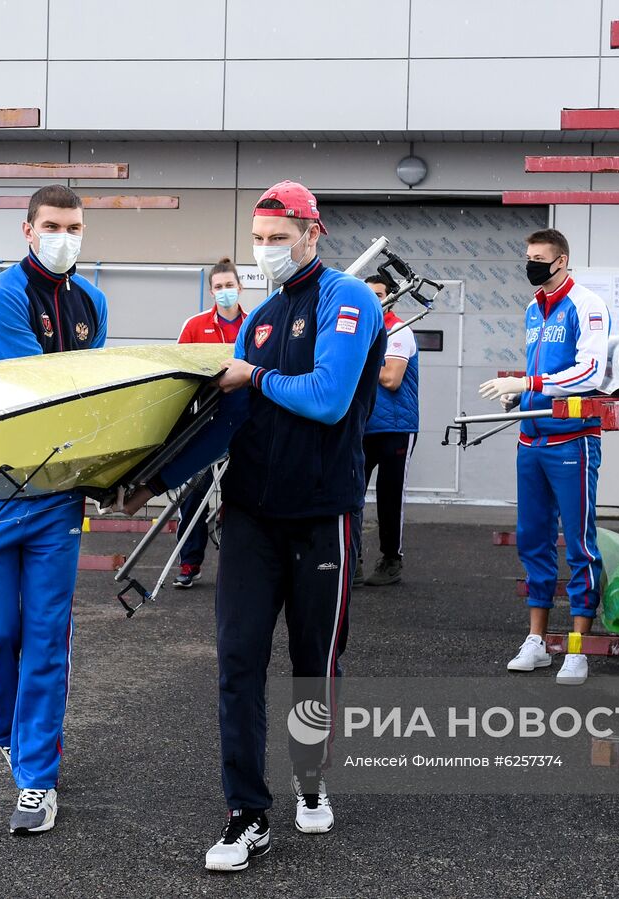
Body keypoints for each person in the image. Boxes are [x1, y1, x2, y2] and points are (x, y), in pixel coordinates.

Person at [118, 181, 384, 872]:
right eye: (259, 237)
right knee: (237, 661)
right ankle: (245, 813)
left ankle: (312, 776)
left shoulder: (349, 301)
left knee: (311, 663)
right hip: (250, 517)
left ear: (312, 235)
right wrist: (149, 479)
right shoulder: (259, 317)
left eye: (278, 237)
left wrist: (255, 376)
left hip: (323, 514)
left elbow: (327, 399)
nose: (266, 249)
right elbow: (224, 419)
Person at [0, 184, 108, 835]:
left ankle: (37, 779)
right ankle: (7, 728)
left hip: (58, 498)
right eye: (53, 225)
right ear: (27, 229)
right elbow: (46, 391)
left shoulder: (94, 301)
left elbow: (97, 394)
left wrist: (101, 468)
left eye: (74, 226)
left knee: (47, 638)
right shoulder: (1, 298)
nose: (64, 237)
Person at [479, 228, 608, 687]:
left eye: (538, 258)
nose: (531, 264)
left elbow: (591, 370)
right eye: (527, 256)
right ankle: (536, 641)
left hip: (572, 440)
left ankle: (577, 649)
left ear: (562, 261)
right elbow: (543, 370)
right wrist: (523, 398)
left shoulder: (586, 305)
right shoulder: (533, 307)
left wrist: (528, 385)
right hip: (531, 439)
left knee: (580, 544)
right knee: (532, 541)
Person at [171, 259, 246, 589]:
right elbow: (178, 371)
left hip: (244, 422)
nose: (225, 292)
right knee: (193, 493)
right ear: (211, 290)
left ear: (240, 287)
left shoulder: (255, 324)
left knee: (242, 496)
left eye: (230, 286)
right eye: (219, 287)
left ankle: (238, 566)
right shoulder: (195, 326)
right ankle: (190, 562)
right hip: (203, 421)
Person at [356, 274, 420, 588]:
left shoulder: (399, 330)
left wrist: (355, 359)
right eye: (369, 295)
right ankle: (351, 560)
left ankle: (391, 559)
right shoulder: (360, 329)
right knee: (350, 494)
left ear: (392, 296)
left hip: (396, 428)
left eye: (380, 294)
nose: (375, 300)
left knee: (389, 497)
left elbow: (391, 379)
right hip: (361, 427)